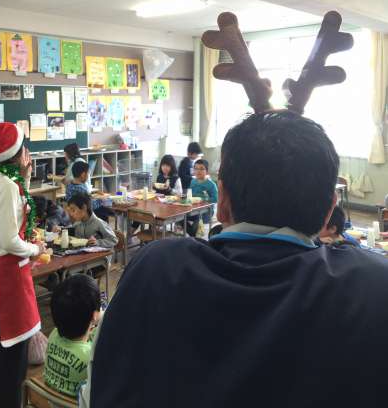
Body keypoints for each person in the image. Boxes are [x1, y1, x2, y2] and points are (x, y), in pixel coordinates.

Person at [88, 110, 388, 408]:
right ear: (329, 211)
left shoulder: (154, 268)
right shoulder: (371, 288)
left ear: (222, 201)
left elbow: (96, 386)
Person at [0, 122, 46, 408]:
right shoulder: (6, 185)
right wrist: (36, 249)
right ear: (17, 154)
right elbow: (10, 240)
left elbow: (10, 214)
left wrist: (24, 179)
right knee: (14, 354)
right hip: (8, 277)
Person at [44, 274, 101, 397]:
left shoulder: (53, 334)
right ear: (95, 316)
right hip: (76, 403)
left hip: (52, 399)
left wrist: (94, 316)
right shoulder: (90, 357)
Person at [185, 159, 218, 236]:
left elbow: (216, 199)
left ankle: (193, 235)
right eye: (196, 168)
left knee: (197, 220)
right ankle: (191, 233)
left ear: (207, 171)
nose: (198, 171)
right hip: (193, 209)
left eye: (201, 169)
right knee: (180, 217)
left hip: (206, 212)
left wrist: (203, 199)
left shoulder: (211, 184)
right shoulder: (193, 181)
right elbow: (190, 195)